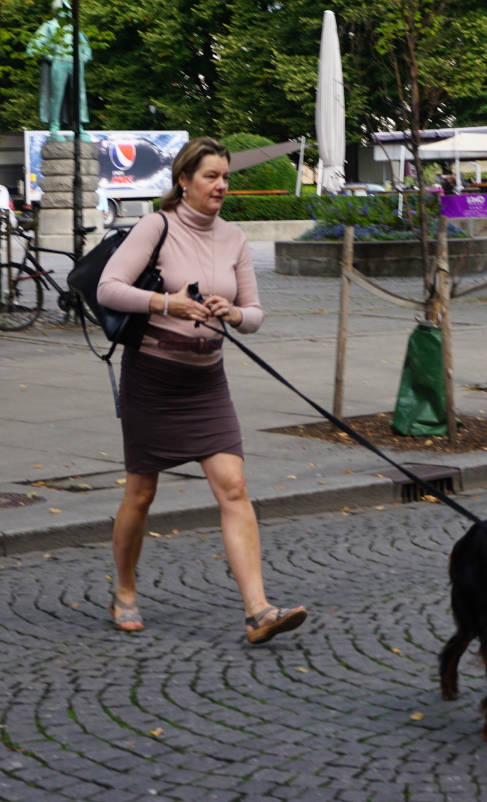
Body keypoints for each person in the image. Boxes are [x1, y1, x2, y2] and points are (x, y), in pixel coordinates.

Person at [97, 137, 307, 644]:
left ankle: (258, 611)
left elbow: (254, 314)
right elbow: (109, 287)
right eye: (211, 176)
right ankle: (124, 588)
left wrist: (233, 313)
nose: (221, 186)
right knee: (142, 492)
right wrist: (168, 304)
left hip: (206, 379)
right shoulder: (157, 226)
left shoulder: (233, 238)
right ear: (183, 181)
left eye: (225, 177)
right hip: (152, 375)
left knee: (233, 486)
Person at [28, 0, 91, 141]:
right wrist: (51, 57)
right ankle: (54, 127)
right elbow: (35, 46)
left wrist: (84, 57)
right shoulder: (48, 26)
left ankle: (78, 126)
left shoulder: (74, 27)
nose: (64, 11)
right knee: (57, 96)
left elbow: (86, 47)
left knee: (78, 96)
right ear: (56, 10)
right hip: (58, 63)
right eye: (61, 9)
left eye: (66, 9)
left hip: (76, 64)